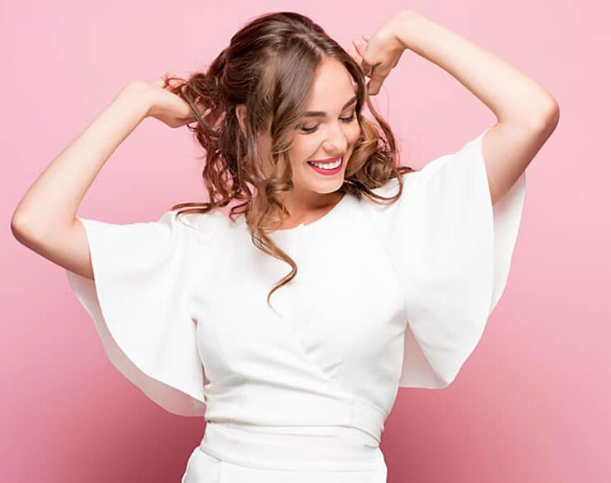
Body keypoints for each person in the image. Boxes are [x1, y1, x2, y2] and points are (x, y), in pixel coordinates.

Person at [11, 9, 558, 483]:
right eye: (309, 124)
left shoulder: (397, 214)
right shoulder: (200, 244)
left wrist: (413, 30)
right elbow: (39, 223)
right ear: (254, 125)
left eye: (347, 115)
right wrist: (132, 105)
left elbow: (533, 114)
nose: (338, 141)